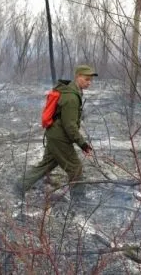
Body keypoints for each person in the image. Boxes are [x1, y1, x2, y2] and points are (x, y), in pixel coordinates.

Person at [15, 64, 97, 197]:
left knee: (47, 164)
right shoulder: (71, 97)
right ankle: (79, 201)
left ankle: (19, 186)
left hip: (55, 133)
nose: (89, 83)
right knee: (75, 168)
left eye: (90, 80)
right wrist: (83, 144)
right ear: (77, 77)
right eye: (86, 79)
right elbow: (70, 126)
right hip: (60, 137)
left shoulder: (72, 92)